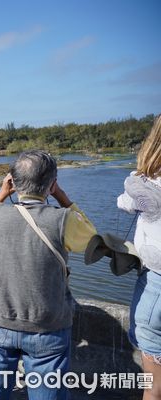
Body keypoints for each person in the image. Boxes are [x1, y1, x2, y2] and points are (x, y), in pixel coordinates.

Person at [0, 150, 97, 400]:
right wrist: (61, 196)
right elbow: (92, 238)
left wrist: (1, 195)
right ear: (51, 184)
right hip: (46, 325)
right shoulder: (64, 219)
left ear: (13, 182)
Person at [117, 115, 161, 400]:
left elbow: (126, 198)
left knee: (153, 387)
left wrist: (141, 172)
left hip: (156, 285)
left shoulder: (146, 185)